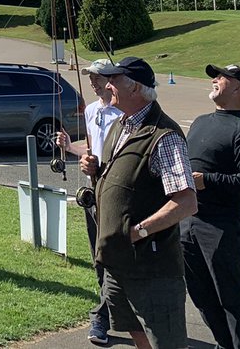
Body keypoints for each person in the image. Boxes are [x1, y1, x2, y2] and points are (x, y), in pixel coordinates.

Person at [80, 56, 197, 349]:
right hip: (118, 263)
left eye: (115, 79)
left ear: (135, 88)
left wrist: (139, 232)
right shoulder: (121, 125)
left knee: (165, 343)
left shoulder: (164, 136)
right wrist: (97, 171)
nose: (108, 85)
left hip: (152, 269)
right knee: (136, 334)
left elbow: (185, 202)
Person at [181, 64, 240, 349]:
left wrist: (209, 180)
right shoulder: (200, 121)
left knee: (230, 297)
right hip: (187, 221)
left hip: (220, 227)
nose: (214, 80)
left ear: (238, 88)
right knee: (201, 294)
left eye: (221, 77)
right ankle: (225, 344)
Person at [58, 58, 123, 346]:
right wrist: (70, 147)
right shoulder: (92, 110)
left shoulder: (125, 114)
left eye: (97, 77)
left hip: (117, 192)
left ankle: (105, 314)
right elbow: (91, 148)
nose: (93, 82)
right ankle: (106, 314)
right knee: (98, 255)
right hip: (91, 193)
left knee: (114, 254)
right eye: (91, 78)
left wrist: (100, 166)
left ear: (112, 79)